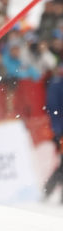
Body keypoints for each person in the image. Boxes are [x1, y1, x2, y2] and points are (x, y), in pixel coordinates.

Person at [43, 61, 63, 202]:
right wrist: (58, 131)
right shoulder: (56, 85)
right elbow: (54, 110)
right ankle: (48, 190)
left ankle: (49, 190)